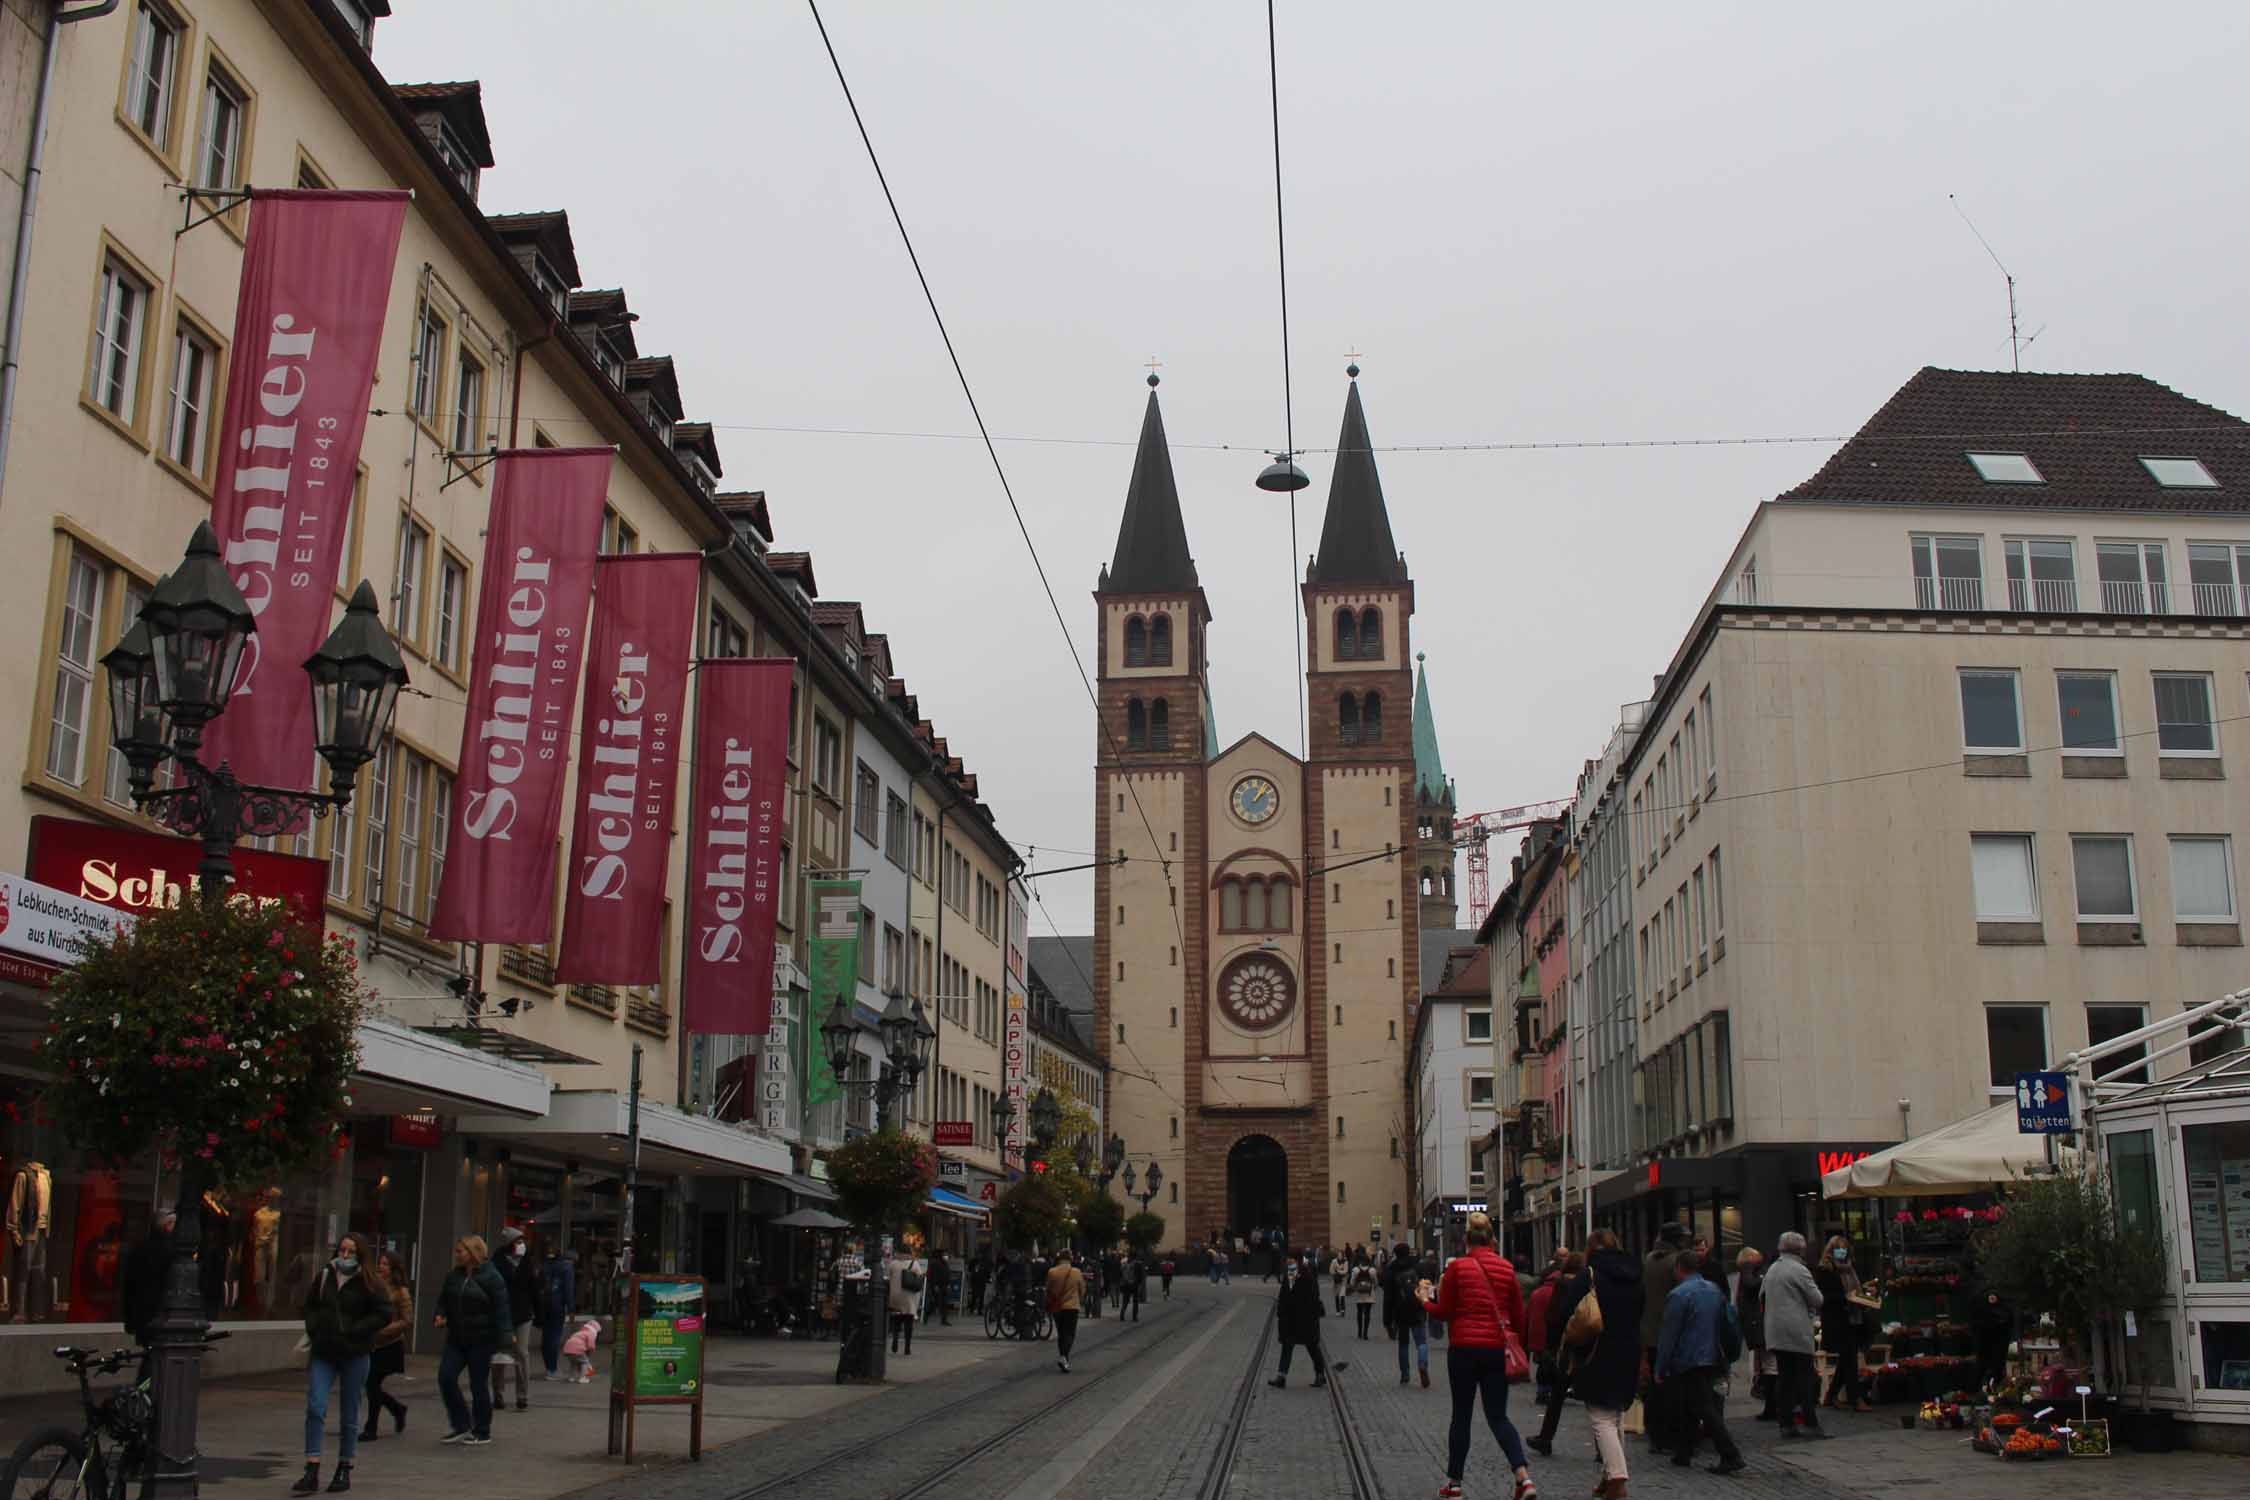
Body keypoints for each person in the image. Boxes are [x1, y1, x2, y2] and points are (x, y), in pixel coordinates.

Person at [1423, 1211, 1535, 1500]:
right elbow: (1519, 1318)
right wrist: (1518, 1345)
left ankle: (1455, 1483)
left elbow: (1445, 1311)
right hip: (1496, 1349)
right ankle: (1523, 1477)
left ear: (1465, 1240)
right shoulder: (1506, 1268)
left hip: (1463, 1350)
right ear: (1492, 1239)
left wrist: (1424, 1301)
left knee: (1461, 1415)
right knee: (1498, 1416)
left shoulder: (1458, 1269)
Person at [295, 1234, 392, 1495]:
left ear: (360, 1255)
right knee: (315, 1406)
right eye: (342, 1250)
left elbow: (384, 1313)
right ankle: (312, 1467)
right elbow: (311, 1307)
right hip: (324, 1351)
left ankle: (344, 1465)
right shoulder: (325, 1275)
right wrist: (315, 1328)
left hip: (354, 1353)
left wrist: (356, 1330)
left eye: (351, 1252)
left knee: (349, 1413)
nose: (345, 1256)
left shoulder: (370, 1282)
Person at [1566, 1229, 1645, 1500]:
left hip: (1598, 1350)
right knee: (1616, 1414)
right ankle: (1608, 1478)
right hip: (1629, 1348)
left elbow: (1571, 1308)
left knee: (1601, 1416)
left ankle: (1617, 1478)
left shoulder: (1589, 1276)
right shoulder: (1635, 1275)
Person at [1654, 1250, 1746, 1475]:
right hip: (1712, 1354)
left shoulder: (1678, 1295)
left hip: (1689, 1357)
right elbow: (1727, 1323)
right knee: (1693, 1404)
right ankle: (1684, 1452)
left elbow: (1669, 1335)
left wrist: (1660, 1366)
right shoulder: (1714, 1290)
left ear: (1679, 1268)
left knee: (1702, 1406)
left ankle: (1730, 1453)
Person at [434, 1235, 511, 1447]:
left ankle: (482, 1430)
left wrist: (505, 1339)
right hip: (457, 1338)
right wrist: (440, 1315)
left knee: (478, 1385)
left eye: (461, 1251)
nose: (457, 1255)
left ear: (473, 1252)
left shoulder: (492, 1278)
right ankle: (461, 1424)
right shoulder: (453, 1277)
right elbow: (443, 1300)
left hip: (482, 1340)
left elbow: (502, 1309)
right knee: (446, 1377)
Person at [1759, 1231, 1829, 1440]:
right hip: (1796, 1331)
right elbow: (1818, 1299)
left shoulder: (1773, 1268)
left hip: (1775, 1332)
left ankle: (1786, 1424)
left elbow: (1762, 1296)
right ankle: (1810, 1423)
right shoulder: (1799, 1270)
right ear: (1800, 1249)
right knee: (1805, 1378)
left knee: (1785, 1378)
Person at [1526, 1250, 1586, 1456]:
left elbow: (1554, 1316)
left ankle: (1545, 1438)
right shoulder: (1587, 1283)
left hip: (1566, 1344)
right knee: (1595, 1401)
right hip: (1586, 1342)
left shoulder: (1561, 1285)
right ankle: (1601, 1447)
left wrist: (1551, 1346)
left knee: (1557, 1395)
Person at [1637, 1222, 1686, 1454]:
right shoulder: (1676, 1261)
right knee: (1673, 1387)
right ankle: (1671, 1435)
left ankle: (1655, 1434)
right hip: (1671, 1331)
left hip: (1650, 1331)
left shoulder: (1649, 1259)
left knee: (1656, 1387)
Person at [1813, 1234, 1871, 1412]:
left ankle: (1831, 1396)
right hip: (1837, 1320)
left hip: (1853, 1318)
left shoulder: (1851, 1269)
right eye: (1838, 1248)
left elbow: (1856, 1289)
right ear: (1831, 1251)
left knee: (1847, 1358)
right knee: (1849, 1359)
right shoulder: (1825, 1270)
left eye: (1844, 1248)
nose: (1842, 1252)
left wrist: (1863, 1296)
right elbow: (1824, 1297)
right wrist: (1847, 1298)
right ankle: (1855, 1399)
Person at [1271, 1249, 1346, 1388]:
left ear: (1297, 1261)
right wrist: (1281, 1311)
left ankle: (1320, 1375)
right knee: (1287, 1346)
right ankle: (1281, 1377)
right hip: (1290, 1318)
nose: (1288, 1262)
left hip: (1305, 1318)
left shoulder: (1307, 1274)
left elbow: (1313, 1296)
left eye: (1290, 1260)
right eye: (1287, 1260)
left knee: (1312, 1346)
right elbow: (1284, 1295)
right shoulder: (1289, 1275)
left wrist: (1311, 1314)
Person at [359, 1250, 412, 1443]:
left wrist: (383, 1330)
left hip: (389, 1345)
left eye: (386, 1264)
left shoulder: (400, 1291)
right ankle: (397, 1408)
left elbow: (406, 1320)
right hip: (371, 1343)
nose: (381, 1267)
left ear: (394, 1269)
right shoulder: (373, 1286)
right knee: (371, 1384)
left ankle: (371, 1427)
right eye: (380, 1263)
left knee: (372, 1384)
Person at [488, 1228, 540, 1413]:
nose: (521, 1245)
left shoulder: (527, 1262)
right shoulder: (496, 1261)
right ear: (509, 1243)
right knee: (500, 1354)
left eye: (522, 1241)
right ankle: (498, 1395)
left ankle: (522, 1396)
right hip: (501, 1313)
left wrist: (539, 1312)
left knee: (521, 1353)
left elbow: (534, 1288)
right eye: (518, 1241)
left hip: (523, 1314)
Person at [122, 1209, 175, 1379]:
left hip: (142, 1315)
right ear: (168, 1226)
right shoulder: (170, 1251)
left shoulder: (140, 1248)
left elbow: (129, 1286)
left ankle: (144, 1391)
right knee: (157, 1360)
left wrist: (129, 1318)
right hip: (159, 1315)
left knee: (150, 1356)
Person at [1384, 1240, 1431, 1387]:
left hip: (1400, 1311)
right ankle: (1422, 1364)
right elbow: (1427, 1286)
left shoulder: (1391, 1270)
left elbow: (1388, 1297)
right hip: (1418, 1309)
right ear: (1409, 1252)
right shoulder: (1418, 1266)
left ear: (1395, 1254)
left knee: (1403, 1344)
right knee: (1421, 1342)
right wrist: (1430, 1305)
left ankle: (1405, 1374)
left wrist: (1387, 1320)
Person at [1733, 1248, 1771, 1418]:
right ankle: (1767, 1396)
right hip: (1757, 1325)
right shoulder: (1750, 1271)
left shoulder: (1746, 1273)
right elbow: (1753, 1285)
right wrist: (1765, 1278)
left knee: (1763, 1363)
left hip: (1754, 1325)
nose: (1761, 1258)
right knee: (1768, 1364)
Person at [1046, 1248, 1085, 1373]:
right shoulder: (1077, 1272)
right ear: (1070, 1258)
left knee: (1061, 1333)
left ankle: (1064, 1359)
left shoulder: (1052, 1271)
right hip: (1072, 1307)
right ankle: (1064, 1357)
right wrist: (1080, 1299)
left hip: (1057, 1307)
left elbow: (1048, 1289)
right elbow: (1082, 1289)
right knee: (1070, 1334)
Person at [538, 1247, 576, 1378]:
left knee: (546, 1337)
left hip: (544, 1305)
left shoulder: (545, 1266)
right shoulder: (567, 1268)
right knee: (554, 1336)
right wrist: (571, 1309)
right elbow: (568, 1290)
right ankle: (552, 1370)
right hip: (557, 1305)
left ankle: (548, 1368)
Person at [888, 1247, 926, 1355]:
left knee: (896, 1321)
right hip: (908, 1297)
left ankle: (895, 1339)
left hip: (895, 1297)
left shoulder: (893, 1264)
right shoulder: (914, 1264)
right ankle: (907, 1347)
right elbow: (919, 1278)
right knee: (908, 1323)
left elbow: (888, 1277)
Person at [561, 1316, 602, 1382]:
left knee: (573, 1363)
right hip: (578, 1350)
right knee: (584, 1362)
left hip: (568, 1349)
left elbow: (572, 1340)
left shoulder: (579, 1332)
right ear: (595, 1330)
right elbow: (591, 1346)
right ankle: (582, 1378)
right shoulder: (591, 1334)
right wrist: (591, 1351)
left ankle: (571, 1377)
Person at [1350, 1254, 1379, 1339]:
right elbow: (1375, 1281)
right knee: (1367, 1313)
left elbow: (1352, 1282)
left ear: (1360, 1261)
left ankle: (1359, 1332)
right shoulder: (1372, 1270)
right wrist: (1374, 1287)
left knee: (1359, 1312)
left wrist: (1354, 1287)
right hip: (1369, 1293)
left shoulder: (1355, 1270)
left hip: (1359, 1293)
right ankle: (1365, 1333)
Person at [926, 1248, 951, 1327]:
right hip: (937, 1286)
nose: (946, 1256)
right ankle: (926, 1316)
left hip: (944, 1285)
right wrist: (934, 1285)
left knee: (945, 1303)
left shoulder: (946, 1264)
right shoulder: (935, 1263)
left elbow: (947, 1274)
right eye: (944, 1255)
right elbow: (932, 1276)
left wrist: (948, 1284)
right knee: (935, 1303)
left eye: (946, 1255)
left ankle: (944, 1319)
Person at [1330, 1247, 1350, 1314]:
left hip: (1343, 1280)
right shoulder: (1334, 1261)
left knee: (1342, 1295)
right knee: (1336, 1295)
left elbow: (1346, 1271)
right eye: (1338, 1255)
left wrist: (1338, 1271)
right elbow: (1331, 1270)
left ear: (1343, 1255)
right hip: (1335, 1280)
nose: (1339, 1256)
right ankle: (1338, 1310)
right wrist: (1335, 1272)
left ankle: (1343, 1309)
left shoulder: (1345, 1261)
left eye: (1340, 1255)